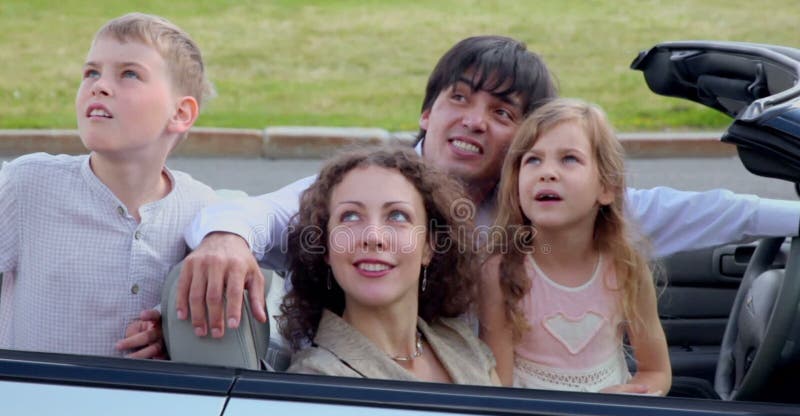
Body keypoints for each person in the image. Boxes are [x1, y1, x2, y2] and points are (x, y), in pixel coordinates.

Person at [177, 35, 800, 340]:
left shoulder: (545, 204)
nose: (475, 121)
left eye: (502, 112)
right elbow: (257, 210)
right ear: (427, 113)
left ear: (525, 138)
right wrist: (227, 237)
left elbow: (713, 211)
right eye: (460, 99)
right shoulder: (367, 187)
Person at [0, 12, 217, 358]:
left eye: (130, 74)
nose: (99, 85)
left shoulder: (202, 209)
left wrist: (171, 333)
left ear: (180, 114)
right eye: (91, 72)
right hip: (30, 393)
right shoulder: (28, 185)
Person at [479, 98, 671, 394]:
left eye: (569, 159)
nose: (547, 172)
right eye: (533, 160)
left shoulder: (626, 268)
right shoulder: (501, 274)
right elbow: (499, 389)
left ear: (606, 188)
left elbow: (655, 371)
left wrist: (631, 396)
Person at [280, 149, 499, 384]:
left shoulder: (461, 342)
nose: (373, 237)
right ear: (326, 247)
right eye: (350, 216)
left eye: (397, 216)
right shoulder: (317, 379)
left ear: (428, 246)